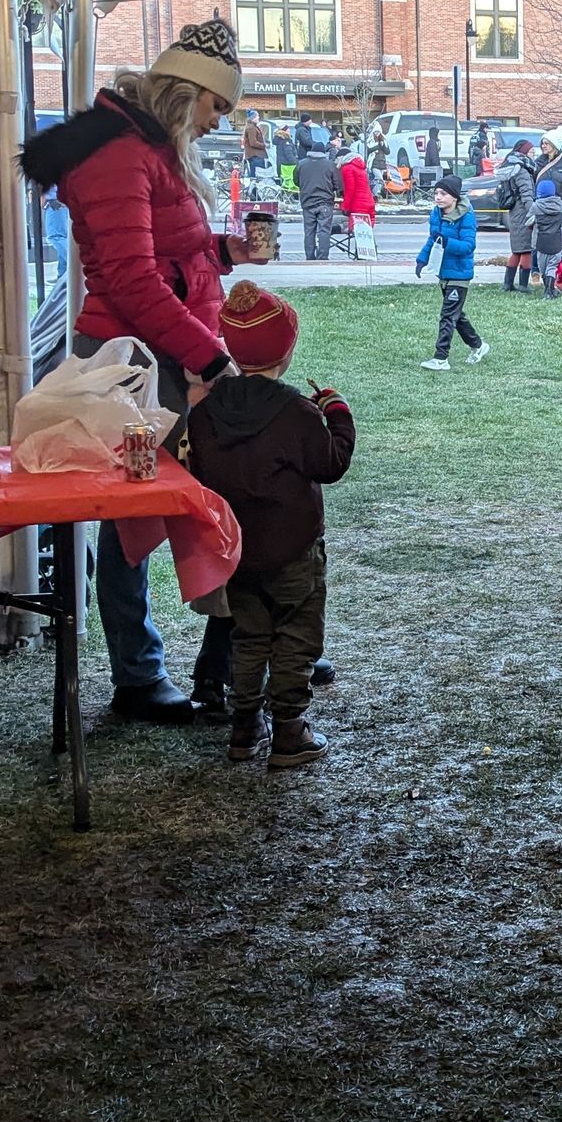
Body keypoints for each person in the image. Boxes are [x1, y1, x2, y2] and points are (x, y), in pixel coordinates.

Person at [22, 16, 248, 721]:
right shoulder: (122, 153)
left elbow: (163, 258)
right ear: (188, 92)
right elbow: (131, 281)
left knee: (168, 501)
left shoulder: (146, 146)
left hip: (159, 353)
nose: (217, 122)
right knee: (131, 517)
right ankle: (141, 673)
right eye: (216, 105)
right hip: (134, 364)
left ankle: (237, 646)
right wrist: (208, 354)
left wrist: (225, 252)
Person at [186, 283, 355, 771]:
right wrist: (337, 413)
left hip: (238, 550)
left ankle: (244, 726)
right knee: (296, 637)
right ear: (286, 351)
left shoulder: (205, 412)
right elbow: (331, 463)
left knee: (249, 637)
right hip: (294, 549)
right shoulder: (296, 411)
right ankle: (289, 730)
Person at [415, 173, 488, 370]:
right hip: (443, 271)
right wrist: (422, 259)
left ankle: (441, 358)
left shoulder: (466, 216)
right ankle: (478, 345)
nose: (438, 197)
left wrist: (447, 242)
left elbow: (468, 246)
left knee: (448, 316)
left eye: (443, 194)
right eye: (436, 193)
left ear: (454, 197)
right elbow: (433, 239)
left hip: (459, 274)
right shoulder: (436, 214)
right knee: (456, 315)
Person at [498, 137, 539, 289]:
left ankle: (508, 284)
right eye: (531, 152)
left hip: (514, 213)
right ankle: (523, 285)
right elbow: (527, 196)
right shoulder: (522, 171)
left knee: (516, 250)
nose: (533, 155)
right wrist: (533, 213)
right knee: (526, 250)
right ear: (524, 153)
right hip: (523, 214)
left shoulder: (510, 167)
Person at [296, 135, 338, 261]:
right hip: (325, 202)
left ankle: (309, 257)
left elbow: (296, 181)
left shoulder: (301, 164)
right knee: (324, 231)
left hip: (307, 201)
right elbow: (337, 184)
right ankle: (322, 257)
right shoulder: (329, 165)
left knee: (309, 231)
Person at [532, 176, 562, 297]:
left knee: (543, 268)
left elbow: (528, 222)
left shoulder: (536, 207)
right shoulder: (560, 206)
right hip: (556, 243)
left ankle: (548, 289)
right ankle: (550, 290)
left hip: (541, 243)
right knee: (552, 266)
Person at [339, 147, 377, 260]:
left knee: (359, 231)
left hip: (358, 204)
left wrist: (345, 206)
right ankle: (367, 253)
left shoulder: (347, 168)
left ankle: (362, 255)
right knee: (366, 231)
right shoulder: (360, 167)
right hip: (369, 201)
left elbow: (350, 189)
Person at [242, 110, 270, 185]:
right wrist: (264, 145)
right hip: (255, 156)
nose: (258, 117)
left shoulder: (253, 126)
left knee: (255, 176)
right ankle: (255, 190)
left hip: (255, 155)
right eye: (257, 116)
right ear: (253, 118)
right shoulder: (251, 128)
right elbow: (253, 142)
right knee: (257, 177)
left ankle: (254, 189)